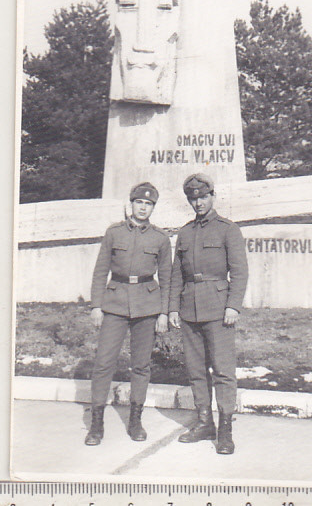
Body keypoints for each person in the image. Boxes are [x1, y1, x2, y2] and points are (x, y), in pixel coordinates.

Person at [85, 182, 172, 446]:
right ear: (131, 204)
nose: (143, 208)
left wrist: (164, 314)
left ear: (153, 208)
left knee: (141, 365)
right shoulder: (114, 233)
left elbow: (166, 278)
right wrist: (96, 306)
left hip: (147, 305)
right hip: (115, 303)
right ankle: (96, 424)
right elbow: (101, 270)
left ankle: (136, 420)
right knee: (103, 362)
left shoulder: (160, 238)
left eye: (148, 204)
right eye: (139, 203)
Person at [169, 173, 248, 455]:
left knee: (223, 370)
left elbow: (239, 271)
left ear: (213, 196)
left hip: (218, 307)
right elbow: (176, 274)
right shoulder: (185, 232)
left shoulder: (228, 229)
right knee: (196, 369)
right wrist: (173, 309)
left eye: (203, 197)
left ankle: (225, 429)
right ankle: (205, 423)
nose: (198, 202)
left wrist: (233, 305)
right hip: (189, 307)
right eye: (193, 198)